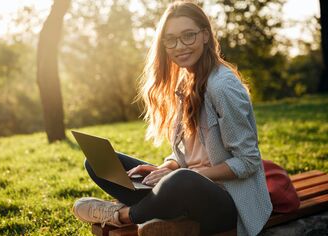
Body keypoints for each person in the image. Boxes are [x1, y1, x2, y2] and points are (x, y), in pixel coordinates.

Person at [72, 1, 272, 235]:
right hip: (185, 189)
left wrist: (185, 175)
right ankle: (161, 214)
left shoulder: (223, 87)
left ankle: (122, 215)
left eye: (189, 36)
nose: (180, 46)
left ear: (205, 35)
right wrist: (167, 166)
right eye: (171, 39)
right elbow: (190, 152)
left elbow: (248, 161)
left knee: (181, 181)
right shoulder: (185, 82)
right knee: (100, 162)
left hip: (228, 202)